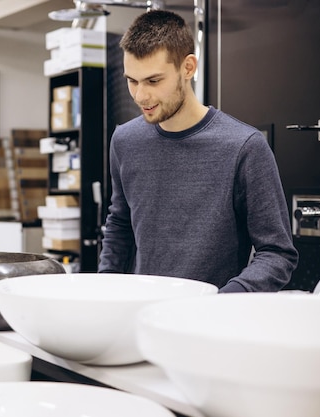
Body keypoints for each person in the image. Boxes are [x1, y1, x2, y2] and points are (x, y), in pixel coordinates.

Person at [98, 10, 298, 292]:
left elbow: (277, 254)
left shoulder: (245, 147)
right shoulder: (124, 141)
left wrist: (221, 302)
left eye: (154, 81)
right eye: (132, 81)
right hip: (142, 318)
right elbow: (120, 226)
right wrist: (104, 291)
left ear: (188, 67)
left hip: (211, 324)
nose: (140, 96)